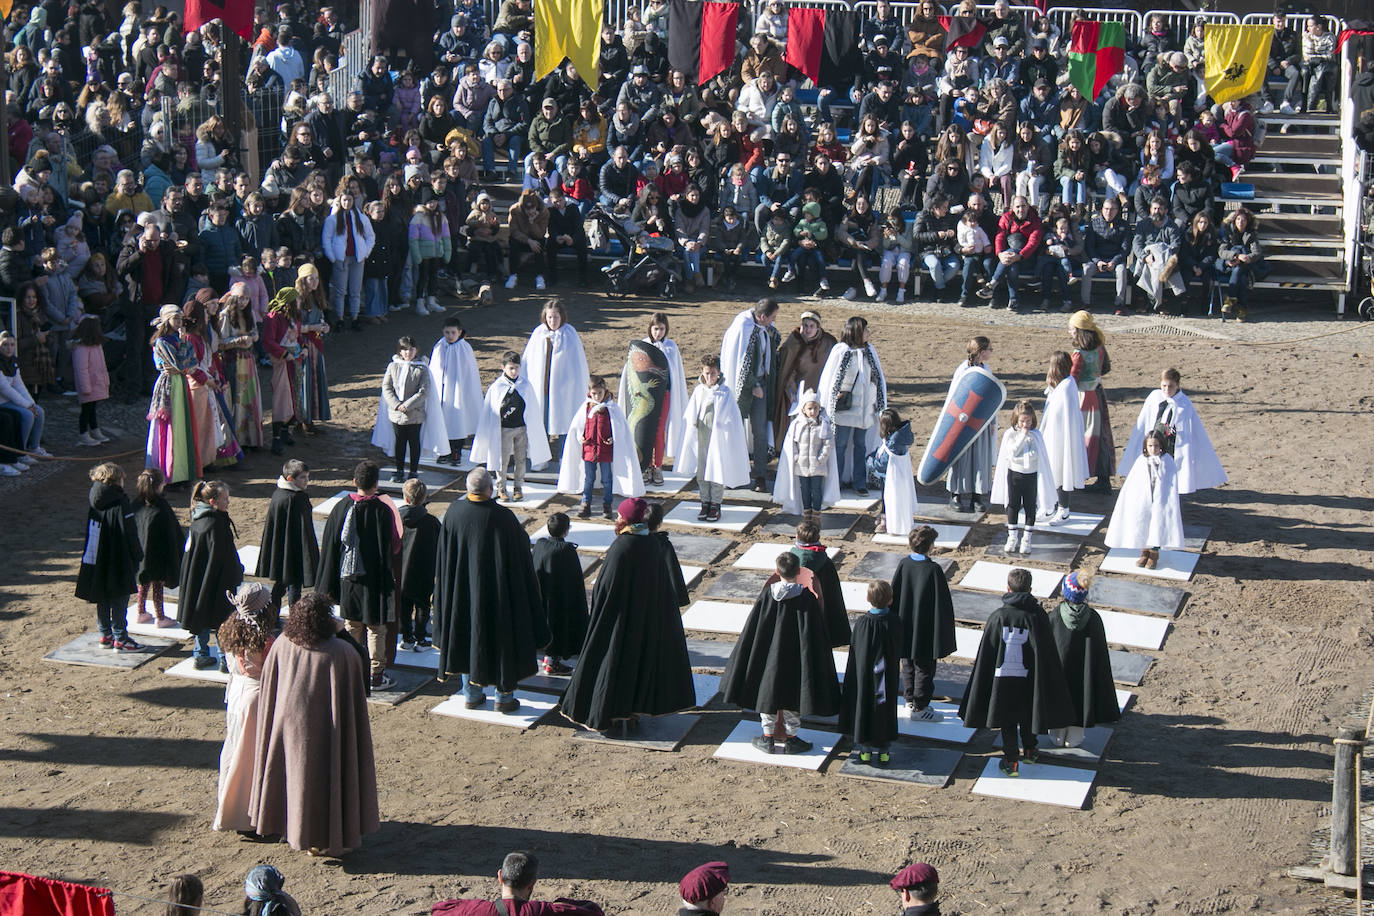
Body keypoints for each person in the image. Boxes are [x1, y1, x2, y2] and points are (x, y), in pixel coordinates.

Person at [249, 592, 379, 856]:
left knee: (296, 780)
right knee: (327, 779)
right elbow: (359, 686)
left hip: (288, 729)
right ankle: (329, 839)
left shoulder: (283, 643)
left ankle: (301, 835)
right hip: (328, 730)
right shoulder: (341, 652)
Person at [560, 497, 696, 735]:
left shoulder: (622, 547)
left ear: (625, 519)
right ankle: (633, 713)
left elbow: (605, 586)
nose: (616, 518)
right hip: (644, 620)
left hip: (619, 621)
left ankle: (611, 714)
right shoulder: (652, 544)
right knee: (638, 666)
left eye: (619, 515)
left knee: (614, 666)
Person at [434, 468, 549, 708]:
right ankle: (504, 696)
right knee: (501, 639)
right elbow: (521, 557)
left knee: (468, 635)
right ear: (489, 489)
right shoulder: (503, 517)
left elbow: (445, 557)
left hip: (464, 591)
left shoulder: (454, 513)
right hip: (497, 592)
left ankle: (471, 694)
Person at [721, 550, 842, 755]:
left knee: (768, 693)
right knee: (794, 695)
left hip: (769, 656)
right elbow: (815, 630)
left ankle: (767, 737)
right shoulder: (806, 598)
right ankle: (792, 738)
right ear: (798, 572)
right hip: (797, 656)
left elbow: (756, 626)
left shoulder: (768, 595)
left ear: (777, 571)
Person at [958, 567, 1074, 776]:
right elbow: (1046, 650)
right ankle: (1030, 750)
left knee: (1007, 719)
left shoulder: (998, 616)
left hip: (1003, 678)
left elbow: (988, 652)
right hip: (1031, 678)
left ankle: (1011, 760)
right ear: (1030, 589)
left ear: (1008, 588)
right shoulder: (1037, 615)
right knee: (1029, 712)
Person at [316, 460, 401, 691]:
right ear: (376, 484)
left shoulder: (341, 507)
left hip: (348, 577)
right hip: (375, 579)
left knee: (352, 624)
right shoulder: (383, 511)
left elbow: (330, 544)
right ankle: (375, 674)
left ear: (355, 482)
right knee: (376, 627)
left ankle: (351, 667)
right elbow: (394, 545)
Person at [212, 583, 277, 834]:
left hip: (236, 695)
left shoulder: (230, 628)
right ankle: (249, 817)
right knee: (251, 760)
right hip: (256, 698)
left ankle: (231, 811)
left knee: (233, 751)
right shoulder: (264, 638)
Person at [1119, 367, 1227, 495]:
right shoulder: (1154, 397)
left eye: (1170, 386)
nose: (1166, 390)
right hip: (1154, 439)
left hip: (1172, 443)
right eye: (1164, 386)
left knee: (1168, 467)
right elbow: (1145, 421)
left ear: (1177, 385)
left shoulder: (1184, 403)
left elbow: (1188, 429)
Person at [1047, 572, 1121, 749]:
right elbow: (1099, 654)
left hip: (1060, 673)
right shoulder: (1094, 618)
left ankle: (1057, 734)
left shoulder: (1054, 616)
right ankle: (1074, 735)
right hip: (1084, 674)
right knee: (1082, 697)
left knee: (1059, 699)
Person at [75, 462, 142, 652]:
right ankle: (121, 638)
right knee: (120, 599)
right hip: (119, 558)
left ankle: (105, 634)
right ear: (116, 480)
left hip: (98, 557)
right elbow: (130, 532)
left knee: (102, 597)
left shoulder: (94, 501)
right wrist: (137, 553)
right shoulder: (120, 502)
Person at [891, 525, 955, 721]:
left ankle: (909, 699)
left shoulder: (904, 564)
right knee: (925, 667)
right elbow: (942, 604)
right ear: (931, 546)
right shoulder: (933, 570)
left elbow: (895, 594)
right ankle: (920, 707)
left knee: (908, 663)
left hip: (906, 626)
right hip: (925, 628)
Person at [817, 316, 887, 497]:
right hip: (845, 410)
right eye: (865, 330)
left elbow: (878, 378)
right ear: (857, 331)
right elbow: (832, 380)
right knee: (839, 445)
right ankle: (836, 481)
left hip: (865, 409)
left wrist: (877, 403)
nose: (868, 333)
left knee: (861, 445)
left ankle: (859, 482)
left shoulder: (870, 350)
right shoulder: (841, 351)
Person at [677, 353, 750, 523]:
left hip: (718, 439)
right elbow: (692, 412)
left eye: (713, 374)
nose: (709, 377)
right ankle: (705, 501)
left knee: (716, 469)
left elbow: (732, 418)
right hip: (702, 437)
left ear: (719, 373)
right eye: (706, 373)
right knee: (702, 470)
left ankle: (716, 503)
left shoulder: (725, 393)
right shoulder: (699, 391)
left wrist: (723, 426)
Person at [178, 480, 244, 669]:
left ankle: (200, 654)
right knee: (222, 618)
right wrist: (236, 573)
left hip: (198, 579)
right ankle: (224, 658)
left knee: (202, 615)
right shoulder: (216, 525)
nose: (228, 502)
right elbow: (225, 556)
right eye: (225, 499)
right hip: (218, 580)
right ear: (213, 502)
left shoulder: (198, 521)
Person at [558, 374, 642, 519]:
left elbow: (620, 428)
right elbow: (578, 426)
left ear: (605, 391)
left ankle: (607, 505)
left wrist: (613, 439)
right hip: (590, 450)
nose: (596, 397)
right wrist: (581, 436)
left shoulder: (611, 408)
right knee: (588, 478)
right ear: (589, 392)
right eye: (594, 393)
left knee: (607, 479)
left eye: (600, 393)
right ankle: (585, 504)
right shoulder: (586, 407)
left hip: (605, 451)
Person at [719, 299, 780, 493]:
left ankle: (760, 474)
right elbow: (740, 363)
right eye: (772, 317)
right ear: (762, 317)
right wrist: (752, 384)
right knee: (734, 429)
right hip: (744, 387)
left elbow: (774, 342)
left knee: (760, 432)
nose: (773, 321)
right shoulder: (742, 328)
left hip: (761, 384)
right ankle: (732, 472)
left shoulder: (764, 328)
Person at [521, 299, 590, 465]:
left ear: (562, 317)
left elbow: (577, 364)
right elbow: (528, 361)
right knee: (540, 422)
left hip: (563, 390)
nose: (553, 321)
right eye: (550, 317)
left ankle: (564, 459)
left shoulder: (569, 334)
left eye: (556, 317)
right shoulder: (538, 334)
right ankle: (539, 458)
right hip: (541, 388)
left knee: (565, 421)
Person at [840, 580, 901, 767]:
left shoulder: (863, 623)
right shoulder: (895, 622)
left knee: (864, 706)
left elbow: (856, 651)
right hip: (887, 677)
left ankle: (865, 751)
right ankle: (884, 751)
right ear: (890, 600)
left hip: (865, 677)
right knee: (885, 708)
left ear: (867, 598)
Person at [433, 850, 605, 915]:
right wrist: (561, 902)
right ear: (532, 884)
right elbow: (593, 912)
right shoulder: (544, 911)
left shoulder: (476, 910)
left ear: (500, 877)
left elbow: (438, 910)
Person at [1105, 430, 1183, 569]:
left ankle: (1154, 553)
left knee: (1157, 524)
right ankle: (1144, 552)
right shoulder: (1141, 461)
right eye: (1150, 446)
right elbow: (1134, 482)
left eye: (1156, 446)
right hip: (1143, 500)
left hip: (1160, 500)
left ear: (1161, 446)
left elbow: (1170, 482)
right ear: (1145, 446)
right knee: (1143, 523)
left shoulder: (1167, 461)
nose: (1153, 449)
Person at [146, 304, 203, 484]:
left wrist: (184, 352)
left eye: (180, 318)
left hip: (181, 382)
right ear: (166, 320)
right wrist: (184, 354)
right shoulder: (162, 342)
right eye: (175, 318)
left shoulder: (179, 340)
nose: (179, 322)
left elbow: (192, 362)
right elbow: (180, 364)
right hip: (169, 385)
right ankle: (169, 472)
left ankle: (183, 471)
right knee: (171, 426)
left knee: (182, 425)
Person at [991, 400, 1056, 556]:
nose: (1025, 424)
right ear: (1016, 420)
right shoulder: (1011, 434)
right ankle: (1012, 537)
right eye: (1022, 421)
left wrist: (1029, 440)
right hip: (1015, 474)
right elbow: (1012, 452)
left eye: (1028, 421)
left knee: (1030, 506)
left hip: (1031, 475)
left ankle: (1027, 539)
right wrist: (1022, 436)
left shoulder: (1036, 435)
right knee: (1013, 505)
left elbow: (1039, 456)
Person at [256, 459, 319, 612]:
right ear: (290, 478)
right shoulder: (297, 498)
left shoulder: (278, 495)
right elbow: (305, 530)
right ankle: (293, 617)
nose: (307, 481)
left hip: (281, 549)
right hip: (295, 550)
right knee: (294, 585)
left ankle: (272, 615)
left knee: (280, 584)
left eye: (307, 477)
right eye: (303, 477)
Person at [945, 337, 998, 514]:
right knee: (960, 458)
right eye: (990, 349)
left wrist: (991, 421)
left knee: (980, 458)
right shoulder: (963, 371)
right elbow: (955, 399)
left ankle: (977, 496)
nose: (992, 351)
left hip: (980, 422)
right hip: (963, 422)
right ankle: (956, 494)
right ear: (982, 352)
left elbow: (990, 396)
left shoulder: (986, 369)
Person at [532, 511, 589, 676]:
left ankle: (548, 657)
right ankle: (552, 662)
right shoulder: (566, 550)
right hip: (559, 598)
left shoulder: (540, 545)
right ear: (565, 530)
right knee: (557, 626)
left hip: (542, 595)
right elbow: (575, 580)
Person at [774, 311, 837, 452]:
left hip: (821, 390)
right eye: (804, 325)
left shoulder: (828, 343)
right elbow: (787, 370)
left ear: (818, 327)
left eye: (811, 326)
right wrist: (791, 390)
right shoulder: (793, 342)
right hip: (800, 393)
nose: (807, 330)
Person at [773, 389, 836, 524]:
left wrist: (821, 458)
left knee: (816, 490)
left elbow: (828, 443)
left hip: (817, 466)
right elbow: (792, 444)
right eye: (810, 408)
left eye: (815, 408)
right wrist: (796, 457)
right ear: (803, 409)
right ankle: (807, 512)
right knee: (805, 490)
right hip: (801, 465)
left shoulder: (823, 424)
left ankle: (816, 513)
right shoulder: (797, 424)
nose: (813, 411)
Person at [1040, 351, 1089, 523]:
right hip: (1052, 436)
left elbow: (1066, 416)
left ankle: (1063, 509)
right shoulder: (1059, 386)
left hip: (1063, 438)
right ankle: (1048, 507)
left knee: (1062, 470)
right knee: (1051, 472)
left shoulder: (1067, 386)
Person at [1068, 312, 1114, 493]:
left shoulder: (1078, 354)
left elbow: (1072, 378)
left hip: (1083, 398)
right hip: (1097, 393)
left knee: (1083, 437)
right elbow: (1106, 368)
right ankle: (1103, 479)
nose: (1069, 332)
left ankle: (1079, 475)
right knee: (1101, 437)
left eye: (1072, 329)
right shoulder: (1100, 348)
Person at [381, 336, 435, 483]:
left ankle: (413, 471)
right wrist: (397, 405)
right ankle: (399, 470)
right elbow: (386, 387)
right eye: (404, 349)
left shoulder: (422, 368)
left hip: (415, 413)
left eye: (411, 349)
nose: (408, 352)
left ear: (416, 350)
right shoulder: (393, 366)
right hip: (396, 413)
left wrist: (408, 405)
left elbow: (424, 391)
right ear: (400, 350)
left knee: (414, 442)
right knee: (399, 442)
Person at [133, 468, 182, 629]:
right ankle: (160, 617)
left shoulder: (136, 504)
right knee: (158, 586)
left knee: (143, 583)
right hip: (158, 555)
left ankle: (141, 612)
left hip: (141, 553)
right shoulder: (161, 507)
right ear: (160, 485)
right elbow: (171, 532)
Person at [431, 314, 483, 464]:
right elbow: (435, 370)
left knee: (458, 420)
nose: (450, 336)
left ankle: (456, 451)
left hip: (460, 392)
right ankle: (444, 451)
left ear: (459, 332)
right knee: (443, 422)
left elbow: (468, 374)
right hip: (443, 392)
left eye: (453, 332)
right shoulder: (440, 346)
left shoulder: (464, 348)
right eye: (447, 332)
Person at [217, 285, 264, 449]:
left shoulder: (249, 313)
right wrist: (237, 341)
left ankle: (250, 438)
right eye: (240, 298)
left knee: (249, 398)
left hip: (248, 360)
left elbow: (254, 332)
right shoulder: (224, 316)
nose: (243, 302)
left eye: (246, 298)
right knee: (236, 400)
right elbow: (220, 343)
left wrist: (254, 337)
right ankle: (236, 440)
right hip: (232, 362)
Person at [398, 478, 442, 651]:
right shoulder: (431, 522)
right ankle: (421, 638)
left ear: (406, 498)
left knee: (404, 605)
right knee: (423, 605)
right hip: (424, 570)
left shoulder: (396, 519)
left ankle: (407, 637)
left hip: (401, 570)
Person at [261, 287, 303, 456]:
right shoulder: (274, 318)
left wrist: (304, 347)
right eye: (297, 299)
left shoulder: (295, 317)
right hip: (281, 362)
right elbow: (268, 341)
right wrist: (284, 353)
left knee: (294, 396)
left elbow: (298, 336)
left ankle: (286, 430)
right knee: (281, 398)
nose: (300, 302)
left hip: (295, 361)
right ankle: (276, 437)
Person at [868, 408, 917, 537]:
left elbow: (882, 463)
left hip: (891, 477)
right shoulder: (902, 435)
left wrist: (870, 461)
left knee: (890, 499)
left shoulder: (892, 443)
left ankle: (889, 522)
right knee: (901, 500)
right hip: (903, 476)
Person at [1216, 207, 1264, 322]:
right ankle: (1241, 309)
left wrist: (1247, 258)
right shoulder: (1228, 232)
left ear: (1247, 222)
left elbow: (1257, 252)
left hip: (1245, 266)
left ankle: (1231, 300)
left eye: (1243, 220)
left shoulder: (1251, 234)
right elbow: (1222, 251)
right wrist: (1236, 256)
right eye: (1238, 219)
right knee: (1240, 276)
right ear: (1234, 220)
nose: (1240, 222)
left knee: (1240, 273)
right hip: (1229, 265)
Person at [69, 317, 112, 447]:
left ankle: (94, 430)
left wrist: (105, 380)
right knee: (86, 410)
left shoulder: (96, 346)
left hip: (97, 383)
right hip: (89, 385)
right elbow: (81, 370)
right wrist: (85, 388)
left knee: (92, 409)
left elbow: (102, 366)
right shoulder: (81, 348)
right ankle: (83, 434)